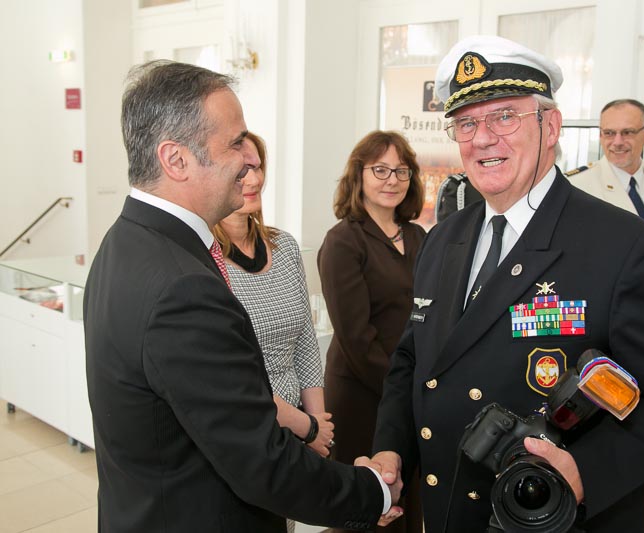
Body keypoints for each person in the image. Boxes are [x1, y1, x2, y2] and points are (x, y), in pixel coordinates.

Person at [368, 35, 644, 533]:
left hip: (554, 518)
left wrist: (585, 472)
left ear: (550, 126)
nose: (483, 139)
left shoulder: (626, 246)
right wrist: (390, 450)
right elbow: (412, 361)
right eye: (466, 123)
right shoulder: (442, 238)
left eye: (504, 117)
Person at [83, 60, 401, 532]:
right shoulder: (183, 288)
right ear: (176, 159)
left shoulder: (125, 241)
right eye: (235, 142)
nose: (252, 159)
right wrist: (372, 491)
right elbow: (260, 463)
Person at [213, 132, 334, 533]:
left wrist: (317, 424)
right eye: (240, 170)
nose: (252, 179)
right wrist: (307, 427)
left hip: (296, 431)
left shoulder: (284, 247)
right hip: (246, 428)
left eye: (257, 167)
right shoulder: (206, 261)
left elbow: (305, 343)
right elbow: (231, 374)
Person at [317, 130, 426, 533]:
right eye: (380, 170)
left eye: (401, 170)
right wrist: (403, 393)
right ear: (358, 175)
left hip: (410, 389)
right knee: (367, 511)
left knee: (409, 503)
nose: (392, 180)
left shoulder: (419, 237)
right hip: (362, 394)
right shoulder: (343, 241)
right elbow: (356, 338)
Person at [566, 99, 644, 311]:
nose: (617, 142)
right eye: (609, 133)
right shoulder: (577, 186)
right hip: (608, 313)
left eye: (627, 133)